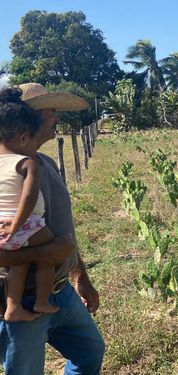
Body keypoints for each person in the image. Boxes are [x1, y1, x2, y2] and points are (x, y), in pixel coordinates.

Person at [0, 83, 105, 374]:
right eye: (50, 110)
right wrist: (53, 250)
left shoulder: (45, 163)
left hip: (60, 291)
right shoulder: (6, 173)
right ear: (28, 118)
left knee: (89, 353)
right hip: (22, 299)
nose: (56, 117)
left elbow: (63, 227)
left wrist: (79, 274)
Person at [0, 87, 57, 322]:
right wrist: (17, 225)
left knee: (19, 265)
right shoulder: (26, 163)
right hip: (23, 225)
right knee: (48, 255)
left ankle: (13, 307)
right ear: (24, 138)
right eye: (34, 139)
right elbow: (28, 198)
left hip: (1, 226)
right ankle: (42, 301)